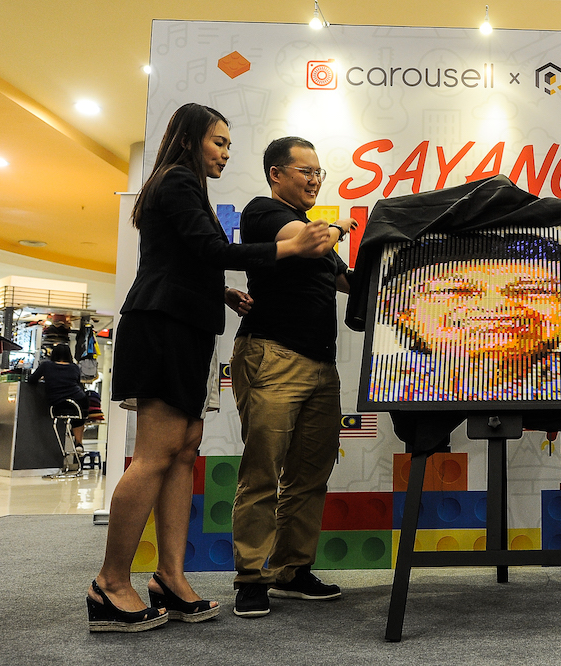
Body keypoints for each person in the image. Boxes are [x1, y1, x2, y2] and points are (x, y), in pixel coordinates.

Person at [89, 105, 329, 633]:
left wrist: (219, 292)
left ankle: (169, 578)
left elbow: (185, 259)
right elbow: (211, 249)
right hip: (162, 327)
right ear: (192, 139)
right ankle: (109, 583)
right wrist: (291, 245)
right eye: (219, 142)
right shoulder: (175, 180)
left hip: (189, 326)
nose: (225, 152)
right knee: (154, 456)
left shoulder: (185, 187)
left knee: (184, 450)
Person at [230, 136, 356, 618]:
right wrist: (344, 224)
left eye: (319, 172)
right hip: (273, 355)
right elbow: (317, 241)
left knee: (310, 474)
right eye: (305, 171)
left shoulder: (314, 234)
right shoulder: (264, 212)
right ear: (276, 174)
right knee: (263, 470)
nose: (314, 179)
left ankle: (291, 569)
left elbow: (349, 283)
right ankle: (250, 576)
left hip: (322, 366)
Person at [369, 230, 561, 403]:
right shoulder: (381, 384)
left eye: (533, 290)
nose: (497, 306)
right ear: (400, 310)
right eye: (456, 291)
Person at [28, 343, 89, 450]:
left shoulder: (46, 365)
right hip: (79, 399)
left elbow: (31, 380)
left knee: (68, 417)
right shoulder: (74, 367)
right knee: (79, 418)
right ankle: (79, 443)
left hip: (57, 401)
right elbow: (77, 381)